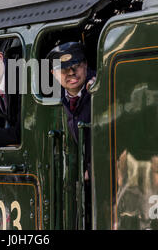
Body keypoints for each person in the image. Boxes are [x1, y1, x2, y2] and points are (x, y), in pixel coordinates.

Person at [47, 41, 96, 228]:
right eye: (64, 70)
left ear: (85, 65)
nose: (71, 73)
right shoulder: (61, 95)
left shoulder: (99, 87)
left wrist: (90, 171)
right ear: (54, 74)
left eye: (75, 66)